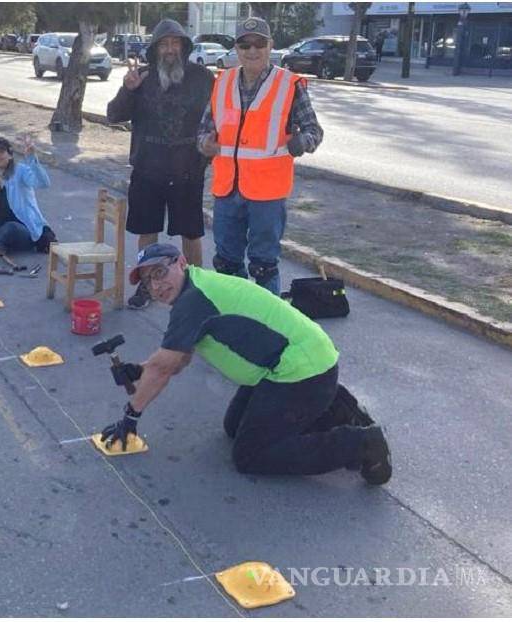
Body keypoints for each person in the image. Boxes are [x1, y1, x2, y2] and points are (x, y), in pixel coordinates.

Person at [100, 243, 392, 485]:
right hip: (291, 365)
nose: (157, 285)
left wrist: (130, 417)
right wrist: (141, 370)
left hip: (303, 372)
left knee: (251, 455)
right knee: (234, 427)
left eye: (160, 272)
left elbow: (164, 368)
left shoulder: (193, 300)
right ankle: (333, 406)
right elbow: (178, 358)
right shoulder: (196, 286)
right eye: (148, 281)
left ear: (182, 263)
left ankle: (360, 444)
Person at [198, 17, 323, 296]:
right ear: (236, 49)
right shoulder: (223, 82)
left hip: (267, 194)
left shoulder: (289, 85)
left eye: (259, 44)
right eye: (245, 45)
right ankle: (235, 310)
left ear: (270, 46)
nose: (252, 50)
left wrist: (302, 142)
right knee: (226, 262)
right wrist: (205, 143)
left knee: (263, 265)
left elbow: (314, 131)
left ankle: (267, 317)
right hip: (227, 190)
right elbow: (204, 129)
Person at [107, 19, 215, 310]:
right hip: (148, 170)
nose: (170, 49)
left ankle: (196, 288)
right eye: (164, 44)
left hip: (187, 170)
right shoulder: (141, 77)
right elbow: (113, 115)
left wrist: (208, 154)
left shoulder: (202, 77)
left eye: (175, 43)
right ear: (155, 49)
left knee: (191, 233)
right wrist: (128, 90)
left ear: (183, 46)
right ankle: (148, 286)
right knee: (148, 231)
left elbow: (218, 118)